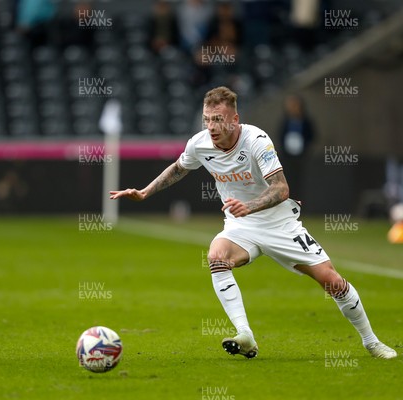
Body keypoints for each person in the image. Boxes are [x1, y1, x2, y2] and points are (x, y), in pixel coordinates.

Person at [110, 86, 396, 360]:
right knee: (216, 256)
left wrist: (250, 205)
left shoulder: (257, 141)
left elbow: (281, 188)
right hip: (241, 226)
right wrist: (145, 191)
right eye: (207, 119)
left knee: (332, 281)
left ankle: (371, 342)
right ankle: (245, 335)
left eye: (218, 119)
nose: (211, 126)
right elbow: (179, 168)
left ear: (235, 120)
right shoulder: (199, 144)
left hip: (279, 224)